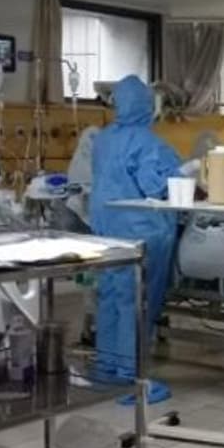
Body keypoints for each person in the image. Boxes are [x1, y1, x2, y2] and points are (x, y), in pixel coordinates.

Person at [90, 75, 182, 401]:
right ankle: (132, 377)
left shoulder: (102, 139)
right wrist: (187, 174)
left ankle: (107, 367)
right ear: (146, 105)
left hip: (106, 230)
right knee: (136, 302)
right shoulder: (148, 143)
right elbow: (156, 187)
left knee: (110, 296)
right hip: (140, 232)